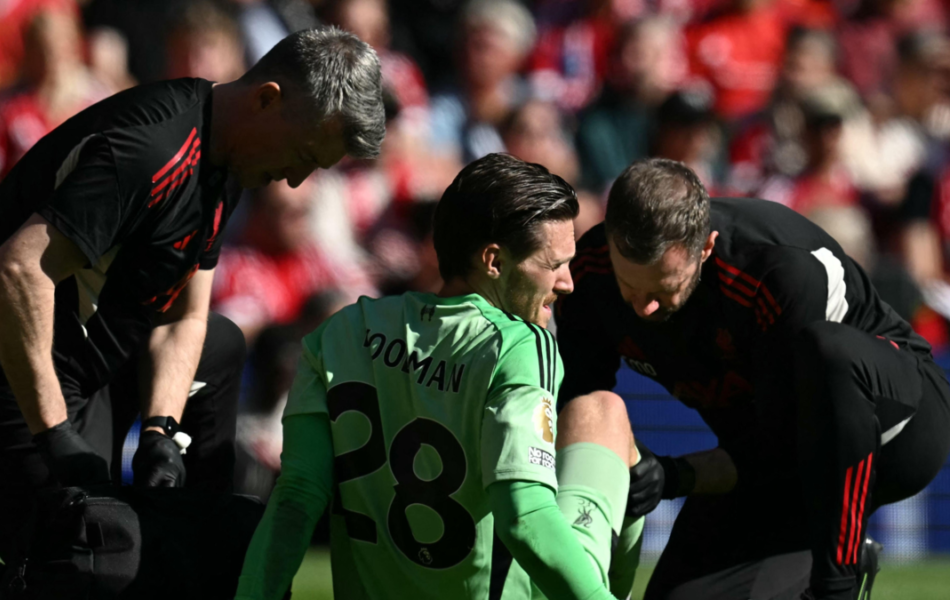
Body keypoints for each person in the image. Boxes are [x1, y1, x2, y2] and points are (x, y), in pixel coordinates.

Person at [0, 26, 385, 562]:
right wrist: (55, 434)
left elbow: (186, 313)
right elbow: (15, 273)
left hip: (88, 367)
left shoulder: (227, 160)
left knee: (220, 345)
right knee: (95, 557)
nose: (295, 181)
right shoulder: (151, 150)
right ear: (267, 99)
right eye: (302, 154)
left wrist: (160, 430)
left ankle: (201, 542)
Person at [235, 153, 639, 600]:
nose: (567, 283)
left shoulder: (340, 332)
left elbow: (295, 500)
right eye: (553, 264)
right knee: (603, 412)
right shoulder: (521, 345)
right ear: (493, 260)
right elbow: (526, 519)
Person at [555, 158, 950, 600]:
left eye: (664, 288)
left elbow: (789, 444)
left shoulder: (776, 270)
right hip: (769, 456)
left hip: (896, 429)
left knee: (831, 354)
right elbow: (578, 402)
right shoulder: (589, 274)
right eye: (632, 286)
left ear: (705, 248)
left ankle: (836, 583)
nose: (644, 309)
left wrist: (675, 475)